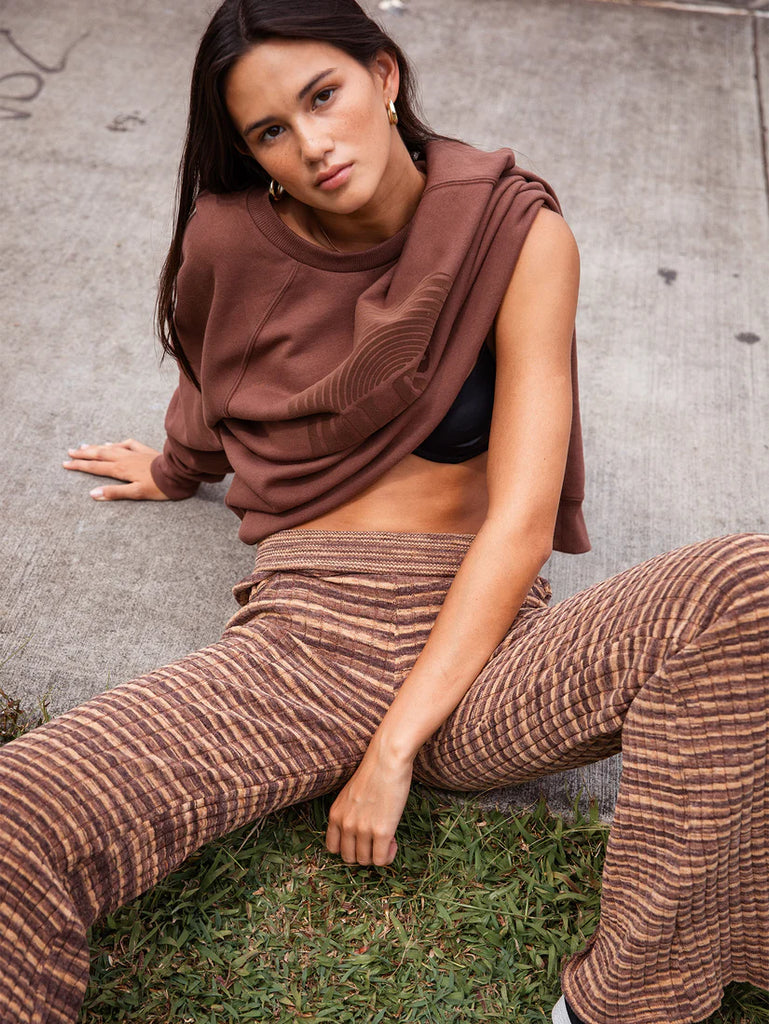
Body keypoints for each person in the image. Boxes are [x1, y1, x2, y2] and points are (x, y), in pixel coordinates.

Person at [0, 0, 766, 1021]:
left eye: (323, 96)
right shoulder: (229, 236)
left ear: (384, 74)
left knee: (743, 586)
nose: (311, 143)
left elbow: (521, 520)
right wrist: (177, 466)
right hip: (307, 647)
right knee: (19, 812)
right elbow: (215, 371)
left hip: (488, 656)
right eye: (270, 130)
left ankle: (624, 1005)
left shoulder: (515, 234)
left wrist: (393, 753)